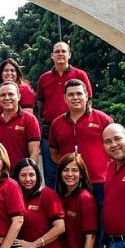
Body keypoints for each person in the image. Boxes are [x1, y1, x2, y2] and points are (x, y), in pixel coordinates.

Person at [48, 78, 114, 248]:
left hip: (99, 183)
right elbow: (54, 152)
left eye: (79, 94)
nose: (75, 98)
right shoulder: (57, 124)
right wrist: (70, 170)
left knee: (101, 230)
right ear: (64, 98)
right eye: (71, 94)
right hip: (70, 186)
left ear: (87, 96)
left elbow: (113, 148)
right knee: (72, 229)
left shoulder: (103, 119)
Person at [37, 42, 93, 186]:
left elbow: (89, 100)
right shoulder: (44, 78)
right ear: (52, 56)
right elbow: (40, 103)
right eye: (57, 51)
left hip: (75, 127)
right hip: (50, 128)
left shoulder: (80, 75)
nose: (60, 54)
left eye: (63, 51)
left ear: (69, 54)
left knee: (77, 168)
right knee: (51, 172)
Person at [0, 81, 41, 170]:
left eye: (11, 94)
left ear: (18, 96)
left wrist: (29, 172)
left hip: (21, 173)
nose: (7, 98)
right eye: (3, 95)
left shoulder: (30, 120)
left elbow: (34, 153)